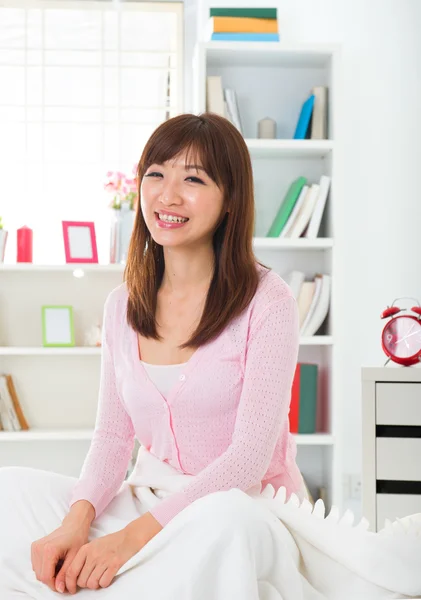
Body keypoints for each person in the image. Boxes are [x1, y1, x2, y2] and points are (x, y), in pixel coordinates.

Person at [0, 112, 309, 599]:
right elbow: (111, 438)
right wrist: (76, 522)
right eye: (156, 174)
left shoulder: (268, 302)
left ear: (230, 199)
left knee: (222, 520)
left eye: (193, 179)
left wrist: (128, 541)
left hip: (244, 508)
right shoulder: (122, 304)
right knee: (9, 488)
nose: (168, 195)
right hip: (150, 498)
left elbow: (248, 460)